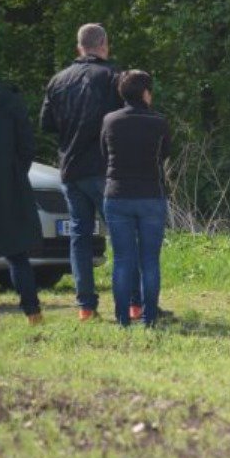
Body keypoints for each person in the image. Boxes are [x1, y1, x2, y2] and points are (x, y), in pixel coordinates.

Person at [40, 24, 122, 321]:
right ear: (104, 44)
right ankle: (132, 301)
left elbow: (46, 124)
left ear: (79, 47)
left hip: (70, 168)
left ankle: (86, 306)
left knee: (79, 235)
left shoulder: (58, 80)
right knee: (122, 234)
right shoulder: (112, 78)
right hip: (104, 167)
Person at [0, 45, 43, 330]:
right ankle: (33, 313)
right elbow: (27, 145)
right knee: (17, 254)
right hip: (8, 185)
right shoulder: (11, 99)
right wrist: (15, 174)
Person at [101, 70, 171, 327]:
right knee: (149, 260)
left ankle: (122, 319)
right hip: (151, 195)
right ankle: (150, 317)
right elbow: (165, 154)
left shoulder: (110, 120)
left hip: (117, 195)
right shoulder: (159, 122)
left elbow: (103, 153)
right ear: (145, 93)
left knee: (122, 260)